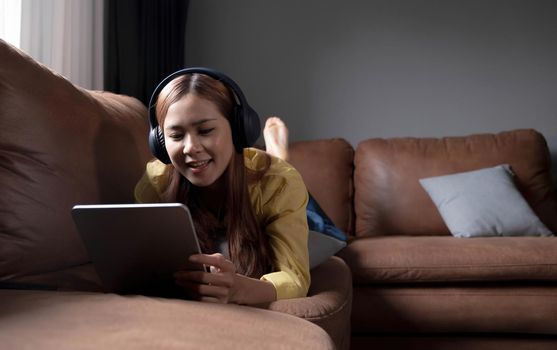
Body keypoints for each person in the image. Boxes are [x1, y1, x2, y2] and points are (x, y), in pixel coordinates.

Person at [134, 69, 310, 305]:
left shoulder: (281, 184)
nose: (190, 148)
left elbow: (295, 278)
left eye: (205, 131)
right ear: (160, 143)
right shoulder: (155, 180)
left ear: (239, 130)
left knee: (323, 234)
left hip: (273, 193)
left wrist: (239, 289)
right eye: (176, 136)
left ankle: (278, 154)